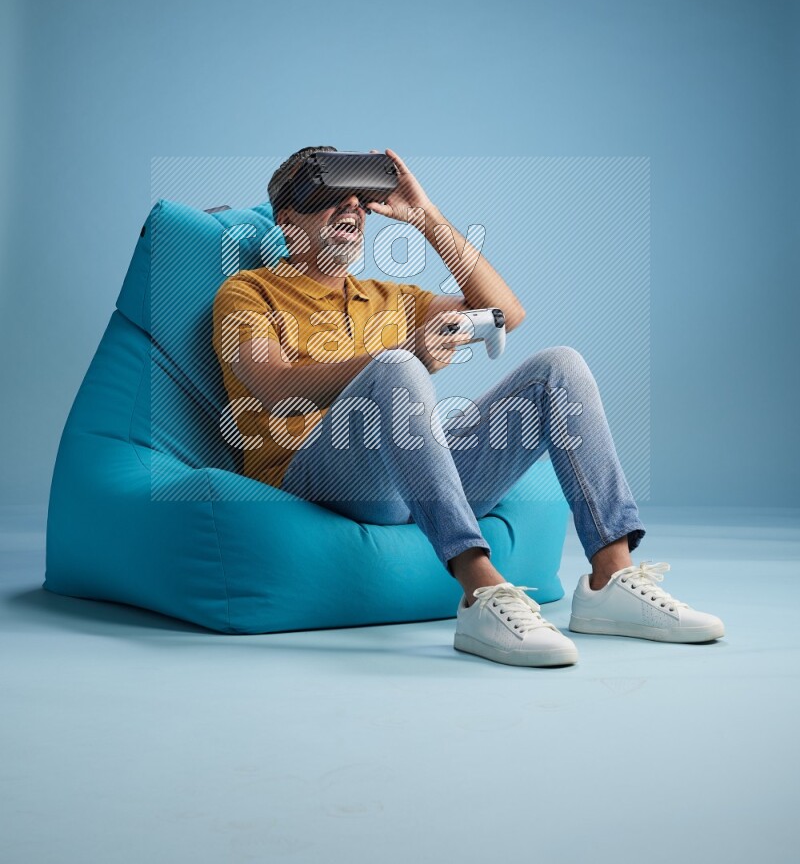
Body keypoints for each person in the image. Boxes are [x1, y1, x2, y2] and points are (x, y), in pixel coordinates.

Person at [212, 145, 725, 667]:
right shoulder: (248, 291)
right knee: (396, 367)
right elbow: (273, 386)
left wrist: (427, 218)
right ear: (287, 219)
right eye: (326, 198)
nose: (349, 209)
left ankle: (610, 578)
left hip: (412, 477)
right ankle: (480, 592)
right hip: (318, 478)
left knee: (559, 367)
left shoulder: (388, 295)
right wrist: (400, 354)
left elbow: (507, 312)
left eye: (359, 200)